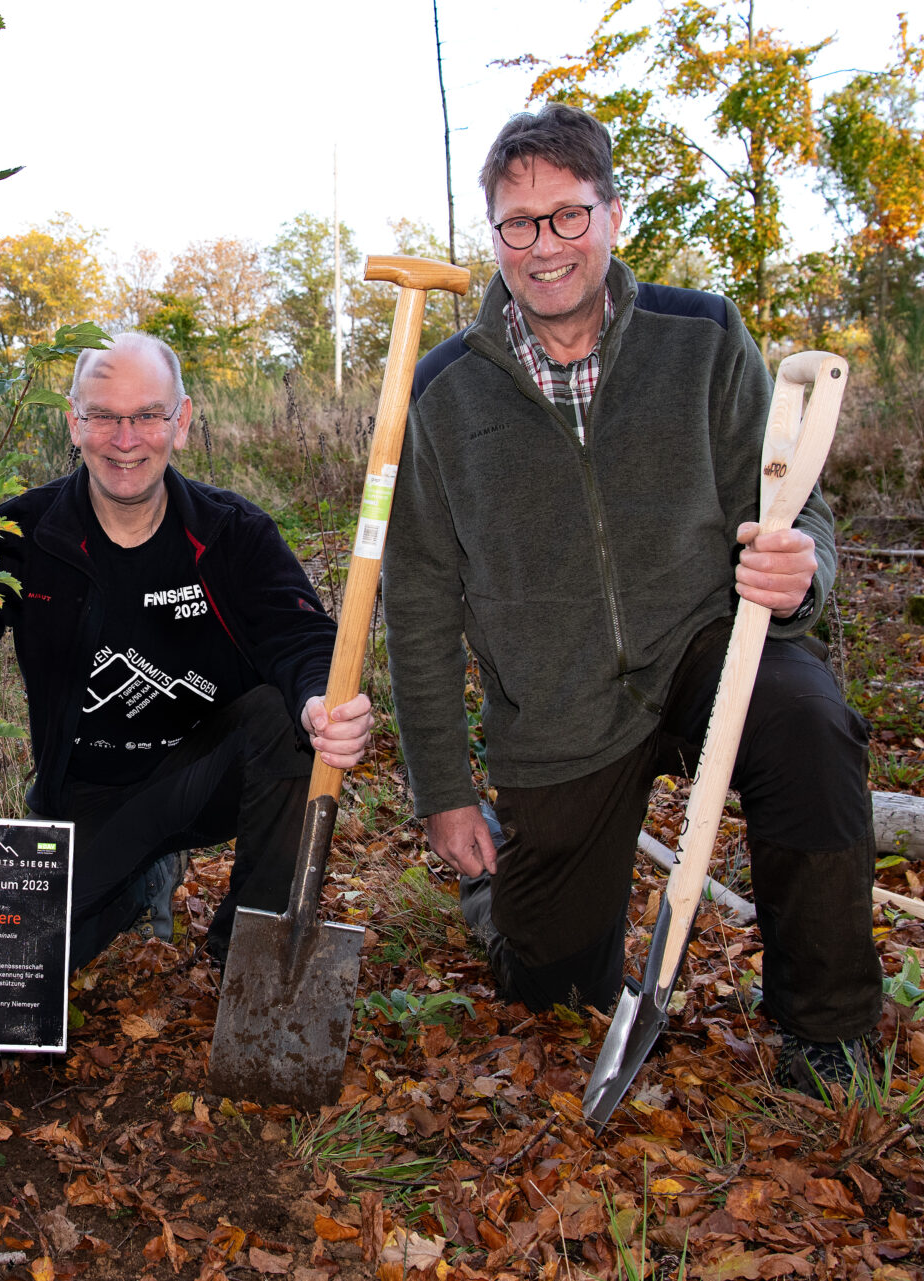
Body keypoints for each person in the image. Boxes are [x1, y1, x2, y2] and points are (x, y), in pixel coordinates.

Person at [381, 103, 880, 1096]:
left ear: (612, 215)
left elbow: (793, 504)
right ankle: (505, 909)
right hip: (555, 712)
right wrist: (443, 788)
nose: (546, 246)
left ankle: (825, 1031)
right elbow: (421, 601)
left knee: (812, 726)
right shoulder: (441, 396)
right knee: (552, 996)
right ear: (495, 237)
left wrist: (804, 571)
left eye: (568, 216)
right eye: (518, 224)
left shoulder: (700, 336)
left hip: (708, 647)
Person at [0, 333, 373, 974]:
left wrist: (319, 697)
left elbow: (302, 636)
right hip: (87, 797)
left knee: (285, 716)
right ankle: (135, 886)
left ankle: (250, 954)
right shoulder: (21, 535)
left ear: (182, 421)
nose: (126, 439)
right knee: (11, 960)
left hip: (208, 781)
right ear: (74, 423)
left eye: (148, 415)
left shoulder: (231, 531)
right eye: (105, 417)